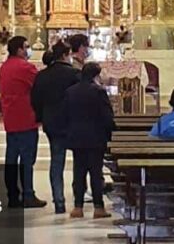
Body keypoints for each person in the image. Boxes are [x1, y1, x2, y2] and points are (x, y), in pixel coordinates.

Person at [31, 41, 80, 214]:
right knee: (79, 163)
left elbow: (35, 99)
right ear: (66, 54)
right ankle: (78, 200)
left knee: (56, 162)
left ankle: (59, 201)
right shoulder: (74, 74)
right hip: (73, 122)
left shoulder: (42, 75)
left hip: (51, 122)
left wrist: (40, 117)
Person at [0, 36, 46, 208]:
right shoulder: (24, 67)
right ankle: (28, 194)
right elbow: (40, 85)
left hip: (10, 118)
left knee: (11, 158)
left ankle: (12, 195)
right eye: (26, 46)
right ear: (19, 49)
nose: (28, 50)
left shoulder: (4, 67)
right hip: (25, 117)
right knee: (27, 159)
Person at [65, 62, 115, 219]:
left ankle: (78, 207)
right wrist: (110, 133)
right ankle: (98, 207)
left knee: (78, 172)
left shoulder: (70, 91)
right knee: (95, 172)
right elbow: (107, 115)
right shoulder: (99, 91)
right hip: (95, 137)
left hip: (77, 136)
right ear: (95, 75)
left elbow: (64, 114)